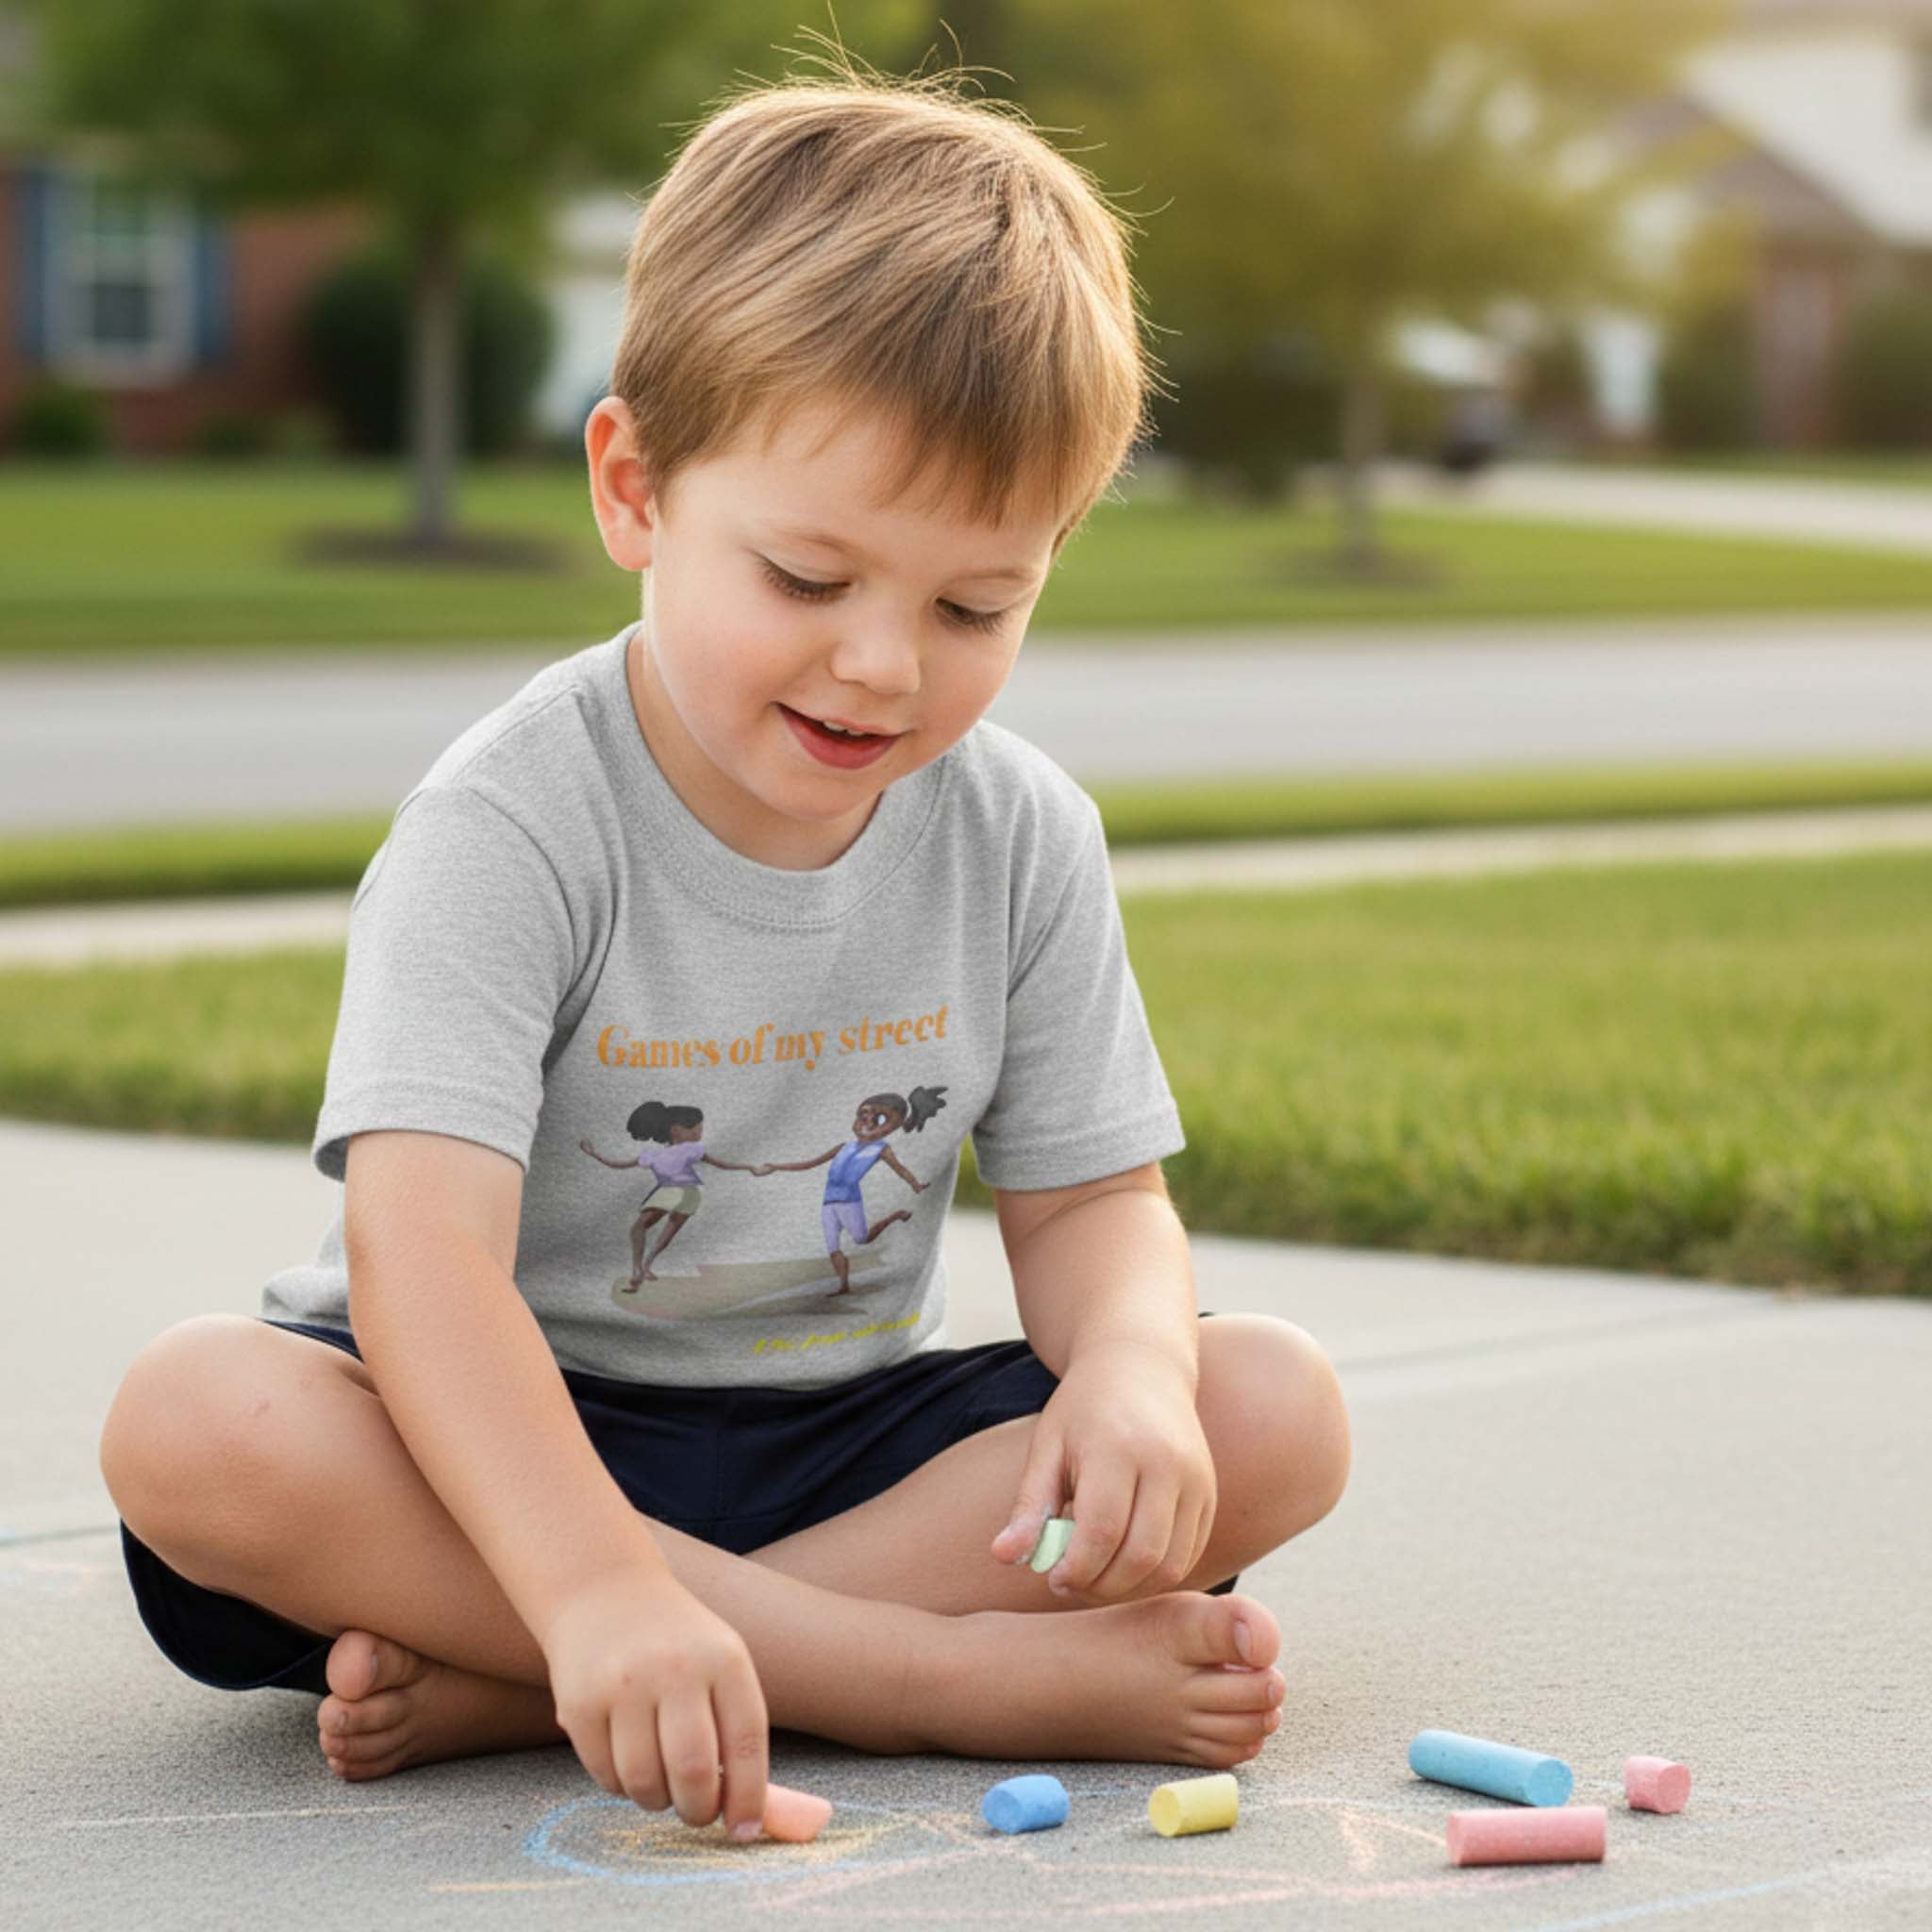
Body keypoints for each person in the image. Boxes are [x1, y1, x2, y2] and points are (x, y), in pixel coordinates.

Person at [98, 48, 1352, 1848]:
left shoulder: (1020, 832)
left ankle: (534, 1686)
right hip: (496, 1446)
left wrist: (1138, 1375)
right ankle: (907, 1675)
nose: (881, 666)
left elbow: (1092, 1211)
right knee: (192, 1421)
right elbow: (423, 1269)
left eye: (974, 604)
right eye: (810, 580)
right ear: (634, 489)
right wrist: (591, 1577)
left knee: (1270, 1403)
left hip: (838, 1440)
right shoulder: (512, 822)